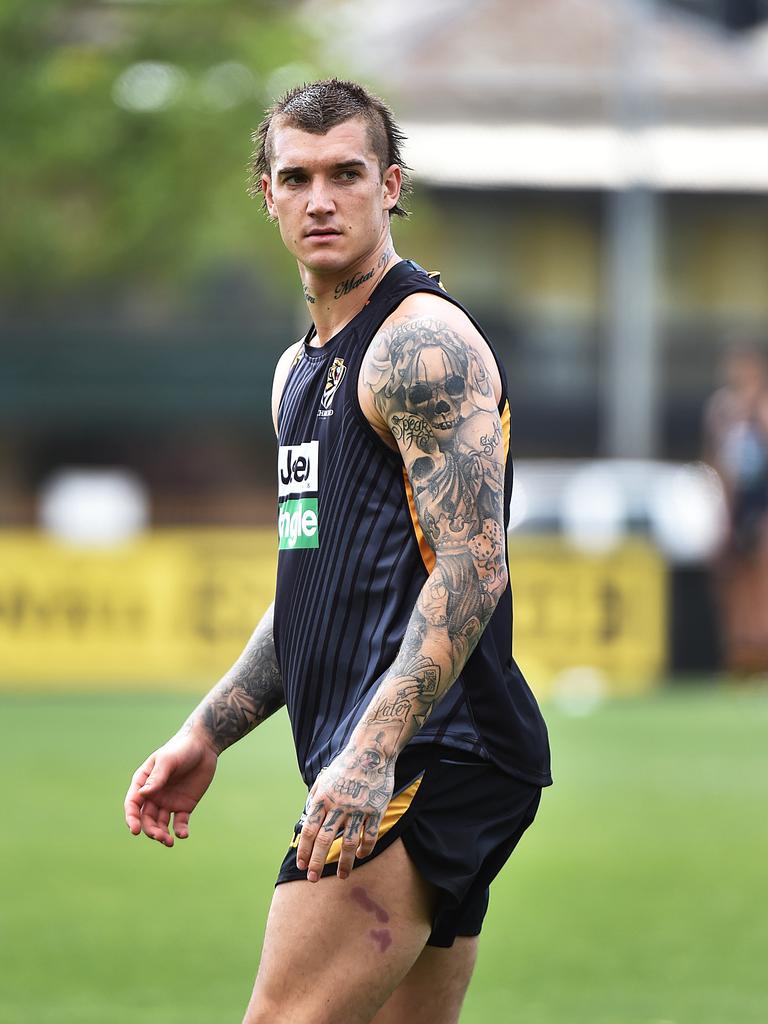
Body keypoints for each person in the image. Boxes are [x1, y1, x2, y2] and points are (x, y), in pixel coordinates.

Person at [124, 79, 552, 1024]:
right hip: (414, 751)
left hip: (432, 750)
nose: (322, 198)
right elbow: (315, 586)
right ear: (268, 196)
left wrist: (373, 747)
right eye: (298, 176)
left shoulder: (422, 346)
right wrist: (207, 731)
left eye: (347, 174)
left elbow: (473, 566)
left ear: (390, 186)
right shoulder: (297, 370)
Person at [703, 341, 768, 673]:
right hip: (733, 502)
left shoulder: (762, 406)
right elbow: (716, 460)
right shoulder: (721, 408)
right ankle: (740, 652)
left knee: (761, 577)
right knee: (733, 580)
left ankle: (761, 649)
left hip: (761, 502)